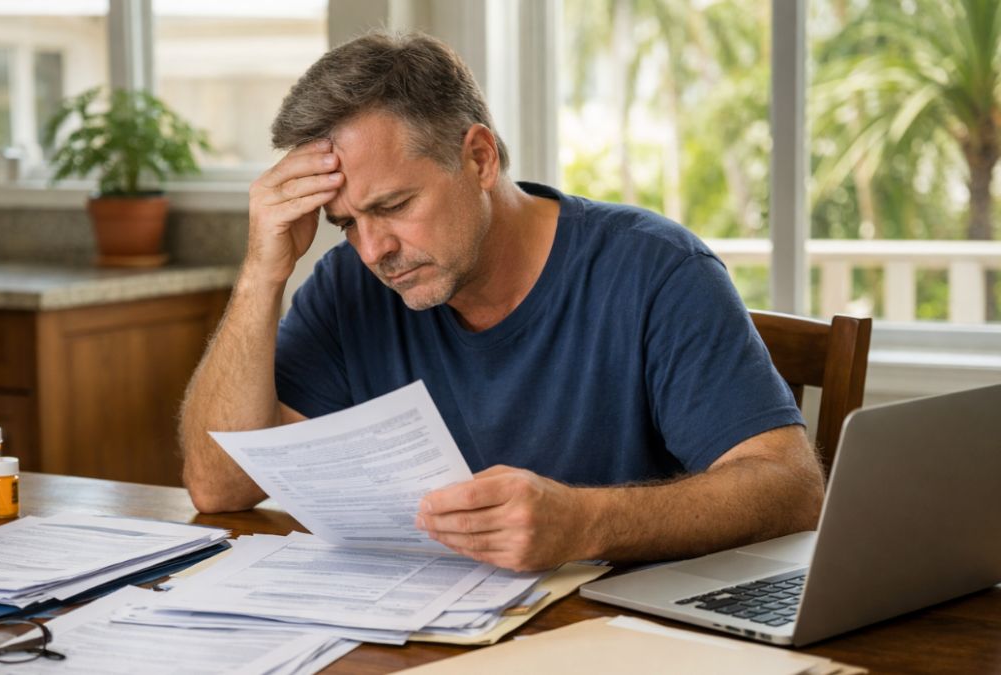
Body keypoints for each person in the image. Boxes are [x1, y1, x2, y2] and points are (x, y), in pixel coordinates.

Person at [179, 31, 824, 572]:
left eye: (395, 206)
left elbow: (791, 491)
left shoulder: (654, 269)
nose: (374, 250)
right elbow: (219, 485)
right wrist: (261, 274)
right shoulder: (349, 286)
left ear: (480, 158)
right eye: (344, 223)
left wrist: (587, 522)